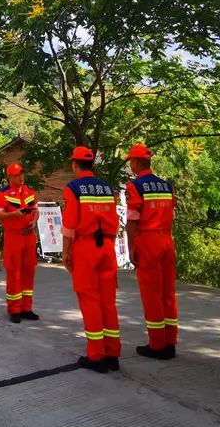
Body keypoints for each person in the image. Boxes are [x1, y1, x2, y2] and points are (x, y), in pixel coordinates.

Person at [61, 146, 121, 373]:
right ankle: (113, 354)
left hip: (86, 247)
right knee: (108, 302)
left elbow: (70, 225)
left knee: (90, 300)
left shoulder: (74, 188)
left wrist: (66, 252)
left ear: (75, 164)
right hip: (107, 246)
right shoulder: (106, 188)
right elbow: (114, 221)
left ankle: (96, 356)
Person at [124, 144, 178, 360]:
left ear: (136, 163)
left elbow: (132, 220)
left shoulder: (135, 186)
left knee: (151, 295)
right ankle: (170, 342)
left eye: (131, 161)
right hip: (167, 239)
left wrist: (131, 248)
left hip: (147, 240)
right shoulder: (166, 186)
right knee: (168, 294)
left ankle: (157, 345)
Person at [0, 163, 39, 323]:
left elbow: (36, 210)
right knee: (14, 273)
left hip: (29, 236)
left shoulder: (29, 192)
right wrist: (15, 214)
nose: (21, 177)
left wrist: (34, 221)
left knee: (29, 271)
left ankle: (27, 308)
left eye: (22, 174)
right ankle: (14, 310)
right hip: (13, 237)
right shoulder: (2, 194)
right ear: (10, 177)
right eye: (17, 174)